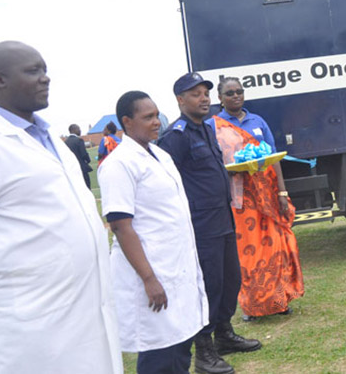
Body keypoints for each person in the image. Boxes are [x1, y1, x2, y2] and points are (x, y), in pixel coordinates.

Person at [0, 41, 122, 374]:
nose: (45, 78)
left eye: (45, 70)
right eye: (33, 71)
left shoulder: (51, 141)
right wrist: (11, 272)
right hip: (28, 322)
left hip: (84, 311)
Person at [157, 73, 261, 374]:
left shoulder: (206, 129)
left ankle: (224, 335)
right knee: (209, 286)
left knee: (231, 281)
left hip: (223, 219)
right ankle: (204, 353)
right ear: (180, 100)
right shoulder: (175, 137)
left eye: (205, 93)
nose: (203, 98)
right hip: (201, 226)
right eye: (195, 94)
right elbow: (165, 183)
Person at [99, 91, 208, 373]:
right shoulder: (118, 164)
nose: (157, 122)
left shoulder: (160, 155)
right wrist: (149, 279)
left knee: (181, 345)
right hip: (151, 272)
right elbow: (121, 226)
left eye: (157, 115)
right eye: (148, 117)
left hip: (176, 268)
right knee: (160, 354)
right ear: (127, 121)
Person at [210, 77, 304, 321]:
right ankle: (252, 306)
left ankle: (279, 300)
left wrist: (281, 192)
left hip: (267, 194)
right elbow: (213, 164)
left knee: (274, 249)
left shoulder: (258, 121)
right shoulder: (214, 126)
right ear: (220, 98)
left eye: (239, 92)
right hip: (240, 200)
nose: (236, 96)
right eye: (230, 93)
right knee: (248, 254)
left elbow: (274, 158)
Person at [64, 123, 93, 188]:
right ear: (74, 130)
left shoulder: (65, 142)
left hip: (71, 169)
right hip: (81, 168)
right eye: (79, 129)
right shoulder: (79, 140)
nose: (80, 131)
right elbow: (84, 154)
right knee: (87, 187)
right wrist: (88, 160)